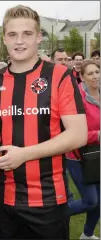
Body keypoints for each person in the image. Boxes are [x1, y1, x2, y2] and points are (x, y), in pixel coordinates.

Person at [0, 5, 88, 240]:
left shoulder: (59, 74)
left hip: (49, 200)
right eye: (12, 34)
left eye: (27, 34)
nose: (19, 41)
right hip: (3, 201)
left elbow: (78, 135)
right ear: (4, 38)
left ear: (39, 37)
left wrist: (24, 154)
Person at [65, 60, 100, 240]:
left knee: (99, 203)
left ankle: (87, 234)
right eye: (90, 74)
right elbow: (75, 132)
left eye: (97, 72)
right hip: (78, 157)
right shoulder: (78, 97)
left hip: (98, 156)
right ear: (81, 77)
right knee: (91, 201)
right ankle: (53, 214)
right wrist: (98, 135)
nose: (95, 76)